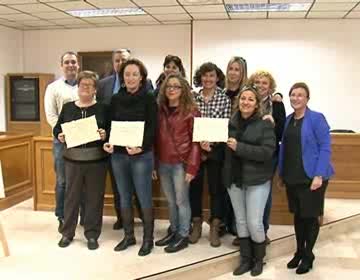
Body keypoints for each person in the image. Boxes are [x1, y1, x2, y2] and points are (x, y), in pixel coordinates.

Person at [103, 58, 157, 257]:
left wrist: (141, 147)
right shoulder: (116, 98)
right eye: (127, 74)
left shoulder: (149, 98)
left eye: (135, 74)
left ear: (141, 77)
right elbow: (110, 124)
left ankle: (148, 239)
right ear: (122, 77)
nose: (131, 77)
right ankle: (128, 236)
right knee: (124, 197)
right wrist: (109, 142)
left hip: (141, 156)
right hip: (118, 155)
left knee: (143, 197)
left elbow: (152, 129)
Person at [278, 82, 334, 275]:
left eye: (300, 95)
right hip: (292, 176)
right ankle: (299, 251)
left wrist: (319, 175)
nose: (296, 98)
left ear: (307, 98)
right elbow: (285, 148)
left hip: (312, 177)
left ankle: (308, 255)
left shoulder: (317, 119)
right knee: (298, 216)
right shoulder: (288, 120)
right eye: (293, 95)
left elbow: (325, 148)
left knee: (310, 218)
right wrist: (281, 173)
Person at [223, 86, 275, 276]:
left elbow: (267, 153)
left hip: (257, 180)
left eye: (250, 99)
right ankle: (245, 259)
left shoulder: (265, 124)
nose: (246, 102)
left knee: (254, 222)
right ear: (238, 101)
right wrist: (208, 145)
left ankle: (258, 260)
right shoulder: (230, 123)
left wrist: (240, 147)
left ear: (256, 104)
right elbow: (223, 150)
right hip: (235, 180)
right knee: (241, 222)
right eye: (243, 98)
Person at [54, 71, 109, 250]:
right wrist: (60, 135)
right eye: (82, 84)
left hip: (96, 161)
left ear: (95, 89)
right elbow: (57, 129)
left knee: (95, 198)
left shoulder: (103, 108)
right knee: (71, 198)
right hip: (73, 160)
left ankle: (92, 234)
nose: (85, 88)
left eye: (89, 85)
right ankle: (67, 233)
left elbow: (110, 130)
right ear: (78, 87)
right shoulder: (68, 107)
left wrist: (104, 134)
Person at [153, 73, 201, 253]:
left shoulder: (191, 111)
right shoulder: (159, 110)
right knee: (171, 201)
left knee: (182, 201)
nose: (172, 89)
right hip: (163, 162)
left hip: (181, 164)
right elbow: (155, 139)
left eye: (176, 86)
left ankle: (183, 234)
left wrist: (192, 167)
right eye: (168, 86)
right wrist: (154, 164)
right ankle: (173, 230)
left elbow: (196, 141)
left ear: (183, 90)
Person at [97, 49, 142, 230]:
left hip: (136, 143)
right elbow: (101, 112)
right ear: (113, 63)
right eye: (117, 60)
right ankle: (121, 218)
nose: (120, 63)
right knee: (118, 185)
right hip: (113, 142)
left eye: (123, 60)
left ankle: (142, 216)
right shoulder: (103, 85)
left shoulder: (144, 83)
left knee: (138, 185)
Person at [189, 62, 231, 247]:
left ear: (217, 78)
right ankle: (196, 224)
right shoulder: (193, 98)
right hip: (196, 149)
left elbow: (225, 125)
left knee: (216, 190)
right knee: (194, 189)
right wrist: (200, 142)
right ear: (200, 78)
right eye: (204, 76)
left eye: (211, 76)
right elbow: (189, 124)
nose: (208, 79)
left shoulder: (225, 99)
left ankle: (215, 226)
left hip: (216, 150)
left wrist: (211, 143)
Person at [248, 70, 286, 244]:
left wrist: (274, 123)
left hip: (269, 156)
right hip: (248, 154)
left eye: (264, 83)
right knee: (247, 192)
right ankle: (248, 231)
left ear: (270, 87)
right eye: (257, 82)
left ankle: (263, 229)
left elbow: (281, 133)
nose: (260, 86)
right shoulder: (248, 100)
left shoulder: (277, 105)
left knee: (265, 193)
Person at [44, 51, 79, 232]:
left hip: (82, 141)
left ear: (78, 65)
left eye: (73, 62)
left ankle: (76, 214)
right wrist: (61, 133)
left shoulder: (84, 85)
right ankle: (61, 216)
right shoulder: (53, 88)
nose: (71, 65)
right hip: (62, 141)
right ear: (62, 66)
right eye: (67, 62)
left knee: (79, 181)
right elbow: (51, 116)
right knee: (63, 181)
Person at [222, 56, 248, 244]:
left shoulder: (246, 94)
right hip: (220, 147)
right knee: (225, 186)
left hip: (240, 147)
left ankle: (238, 225)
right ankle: (225, 222)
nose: (233, 72)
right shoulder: (220, 93)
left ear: (242, 73)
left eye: (237, 69)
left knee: (238, 186)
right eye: (231, 68)